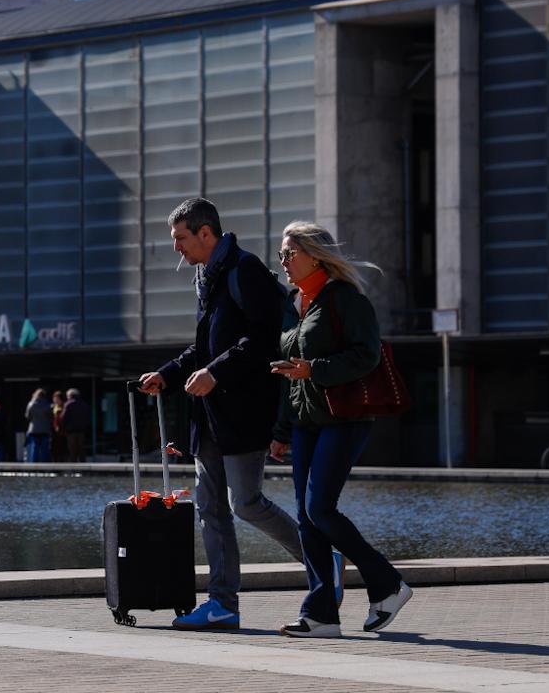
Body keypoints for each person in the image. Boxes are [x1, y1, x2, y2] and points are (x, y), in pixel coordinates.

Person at [139, 197, 303, 630]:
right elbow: (203, 349)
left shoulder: (244, 271)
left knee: (245, 503)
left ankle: (322, 559)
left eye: (180, 238)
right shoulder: (205, 276)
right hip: (208, 416)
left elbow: (263, 341)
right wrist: (168, 375)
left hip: (242, 413)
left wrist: (215, 372)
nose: (176, 247)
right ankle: (223, 604)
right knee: (210, 507)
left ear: (205, 233)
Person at [270, 221, 412, 638]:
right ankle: (321, 616)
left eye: (290, 253)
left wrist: (317, 368)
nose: (283, 261)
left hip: (344, 418)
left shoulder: (345, 299)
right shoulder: (294, 303)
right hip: (304, 423)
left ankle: (387, 584)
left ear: (315, 255)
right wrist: (280, 429)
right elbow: (288, 374)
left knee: (320, 509)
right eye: (281, 254)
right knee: (305, 519)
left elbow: (366, 355)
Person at [60, 388, 91, 463]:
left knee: (72, 450)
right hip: (81, 431)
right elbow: (88, 417)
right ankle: (83, 467)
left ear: (70, 396)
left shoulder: (68, 404)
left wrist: (63, 428)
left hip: (71, 431)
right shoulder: (84, 404)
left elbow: (63, 418)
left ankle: (73, 468)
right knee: (81, 449)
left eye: (67, 396)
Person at [23, 388, 53, 463]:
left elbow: (27, 416)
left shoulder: (31, 404)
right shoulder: (47, 404)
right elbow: (51, 416)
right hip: (44, 429)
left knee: (34, 448)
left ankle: (34, 464)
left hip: (34, 429)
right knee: (44, 448)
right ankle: (45, 464)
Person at [50, 390, 68, 462]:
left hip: (62, 431)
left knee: (62, 448)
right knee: (54, 448)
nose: (55, 400)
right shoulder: (52, 407)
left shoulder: (65, 406)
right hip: (54, 431)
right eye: (54, 398)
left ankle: (62, 462)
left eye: (57, 398)